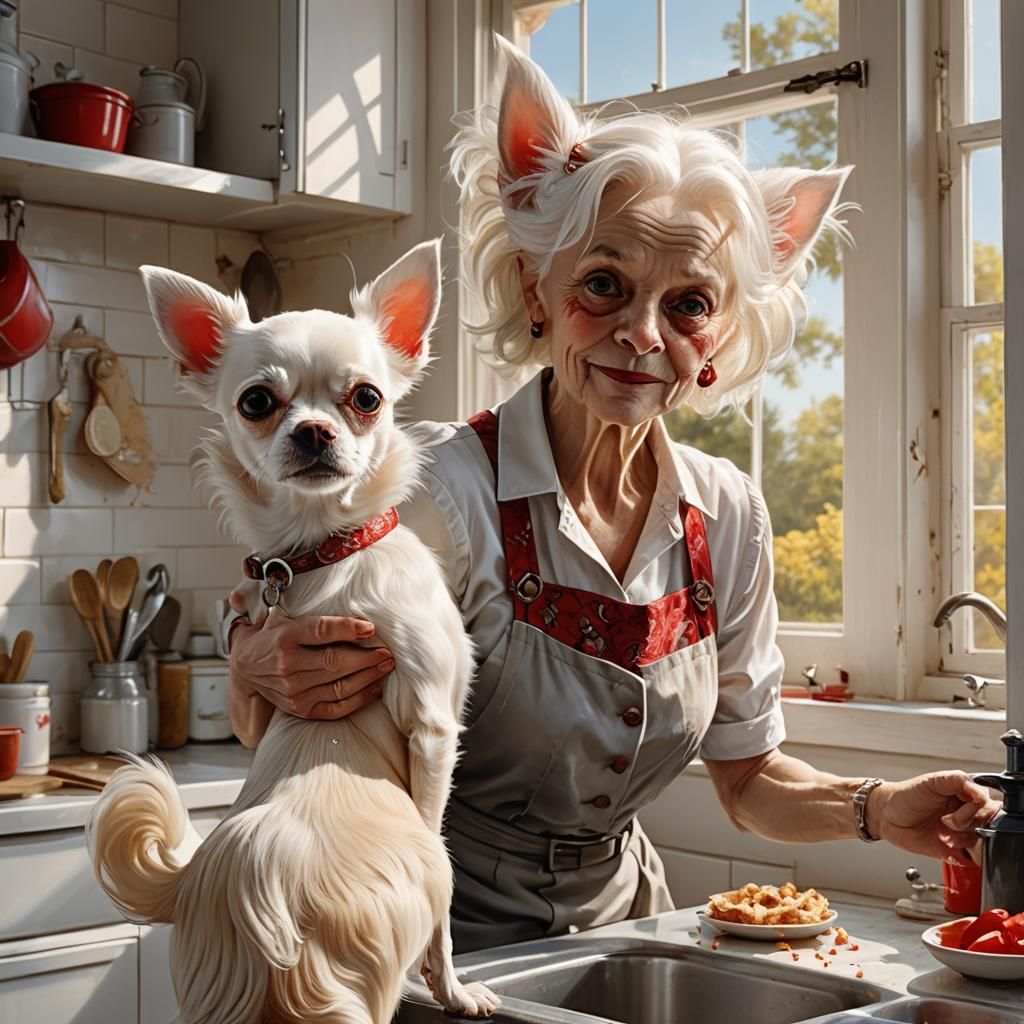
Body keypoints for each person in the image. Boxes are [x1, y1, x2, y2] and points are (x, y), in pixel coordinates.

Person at [226, 40, 997, 953]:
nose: (641, 334)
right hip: (414, 943)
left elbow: (747, 781)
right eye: (605, 284)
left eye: (688, 304)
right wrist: (252, 661)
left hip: (631, 934)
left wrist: (877, 807)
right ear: (536, 288)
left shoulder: (729, 516)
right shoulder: (436, 484)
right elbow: (279, 690)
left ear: (719, 335)